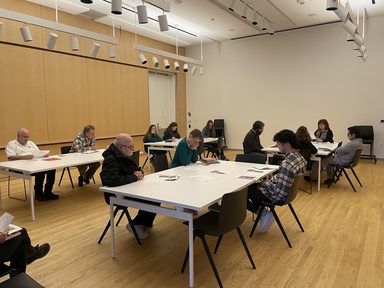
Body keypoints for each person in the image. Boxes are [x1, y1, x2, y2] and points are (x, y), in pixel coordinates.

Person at [100, 133, 159, 239]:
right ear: (120, 147)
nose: (132, 149)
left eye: (133, 146)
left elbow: (135, 170)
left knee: (155, 195)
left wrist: (139, 173)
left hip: (129, 188)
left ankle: (142, 223)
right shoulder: (110, 160)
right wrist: (134, 177)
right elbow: (112, 180)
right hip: (116, 195)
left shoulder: (124, 154)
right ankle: (136, 225)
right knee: (151, 199)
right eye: (130, 147)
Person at [247, 129, 306, 233]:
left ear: (286, 143)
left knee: (243, 191)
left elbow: (279, 192)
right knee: (253, 187)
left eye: (278, 143)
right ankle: (263, 213)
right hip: (290, 194)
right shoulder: (300, 157)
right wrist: (272, 179)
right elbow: (285, 180)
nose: (277, 146)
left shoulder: (286, 164)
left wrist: (265, 183)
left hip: (279, 197)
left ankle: (263, 213)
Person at [5, 128, 59, 201]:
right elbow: (10, 157)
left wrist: (44, 154)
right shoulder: (11, 144)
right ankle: (38, 193)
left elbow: (38, 152)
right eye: (24, 137)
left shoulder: (31, 143)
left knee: (51, 169)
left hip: (33, 164)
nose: (26, 139)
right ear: (18, 136)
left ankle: (48, 192)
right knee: (40, 171)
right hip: (18, 167)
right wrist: (23, 157)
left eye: (28, 137)